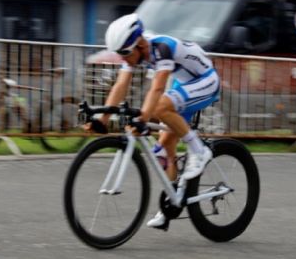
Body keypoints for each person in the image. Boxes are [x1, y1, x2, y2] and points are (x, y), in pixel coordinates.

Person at [85, 13, 220, 228]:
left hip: (205, 81)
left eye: (125, 53)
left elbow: (158, 87)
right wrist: (103, 118)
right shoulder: (133, 53)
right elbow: (120, 86)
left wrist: (143, 119)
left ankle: (199, 150)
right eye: (119, 54)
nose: (124, 59)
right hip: (184, 85)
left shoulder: (162, 48)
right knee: (165, 148)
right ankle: (172, 204)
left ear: (139, 43)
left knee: (159, 107)